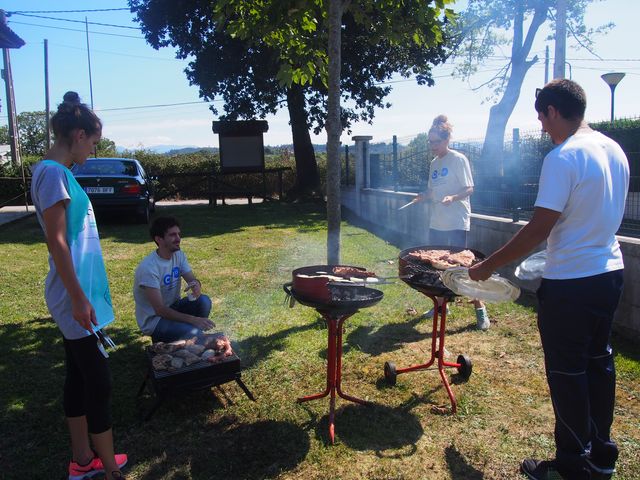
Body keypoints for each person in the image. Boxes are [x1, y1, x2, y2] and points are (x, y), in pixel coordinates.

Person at [469, 79, 628, 480]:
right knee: (599, 363)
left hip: (571, 284)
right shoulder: (615, 150)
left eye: (542, 117)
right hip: (609, 273)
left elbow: (540, 226)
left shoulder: (563, 156)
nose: (542, 126)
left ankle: (572, 465)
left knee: (568, 373)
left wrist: (489, 266)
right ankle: (601, 455)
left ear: (553, 111)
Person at [30, 92, 127, 480]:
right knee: (99, 381)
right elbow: (57, 241)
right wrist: (78, 298)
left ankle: (82, 459)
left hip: (75, 293)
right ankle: (107, 471)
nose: (94, 149)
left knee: (78, 374)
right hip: (72, 296)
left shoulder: (56, 172)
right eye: (94, 142)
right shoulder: (52, 173)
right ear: (79, 134)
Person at [416, 114, 490, 330]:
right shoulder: (433, 163)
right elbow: (432, 190)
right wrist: (423, 195)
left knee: (462, 266)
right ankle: (441, 304)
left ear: (447, 140)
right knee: (436, 265)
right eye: (429, 142)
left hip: (457, 220)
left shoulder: (458, 159)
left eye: (435, 142)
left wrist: (453, 198)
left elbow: (469, 188)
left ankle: (480, 310)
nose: (432, 146)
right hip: (437, 221)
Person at [134, 216, 214, 343]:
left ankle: (187, 336)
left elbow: (192, 279)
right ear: (159, 239)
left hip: (173, 308)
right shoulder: (148, 268)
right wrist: (194, 320)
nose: (178, 239)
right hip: (155, 320)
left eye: (178, 234)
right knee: (195, 333)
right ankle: (165, 337)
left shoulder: (178, 255)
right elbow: (160, 309)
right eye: (172, 235)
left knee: (204, 301)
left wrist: (196, 285)